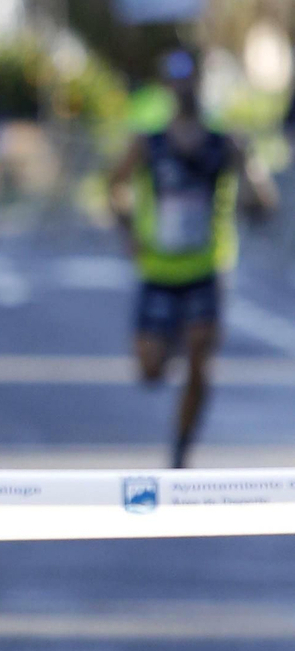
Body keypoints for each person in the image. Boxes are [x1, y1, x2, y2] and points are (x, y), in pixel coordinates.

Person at [107, 49, 275, 469]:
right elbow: (115, 186)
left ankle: (182, 448)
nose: (185, 88)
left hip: (206, 269)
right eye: (176, 80)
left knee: (201, 358)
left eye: (192, 79)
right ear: (167, 87)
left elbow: (264, 205)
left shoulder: (225, 143)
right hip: (159, 270)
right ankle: (173, 343)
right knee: (150, 370)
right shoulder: (150, 142)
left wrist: (250, 168)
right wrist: (128, 231)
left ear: (203, 84)